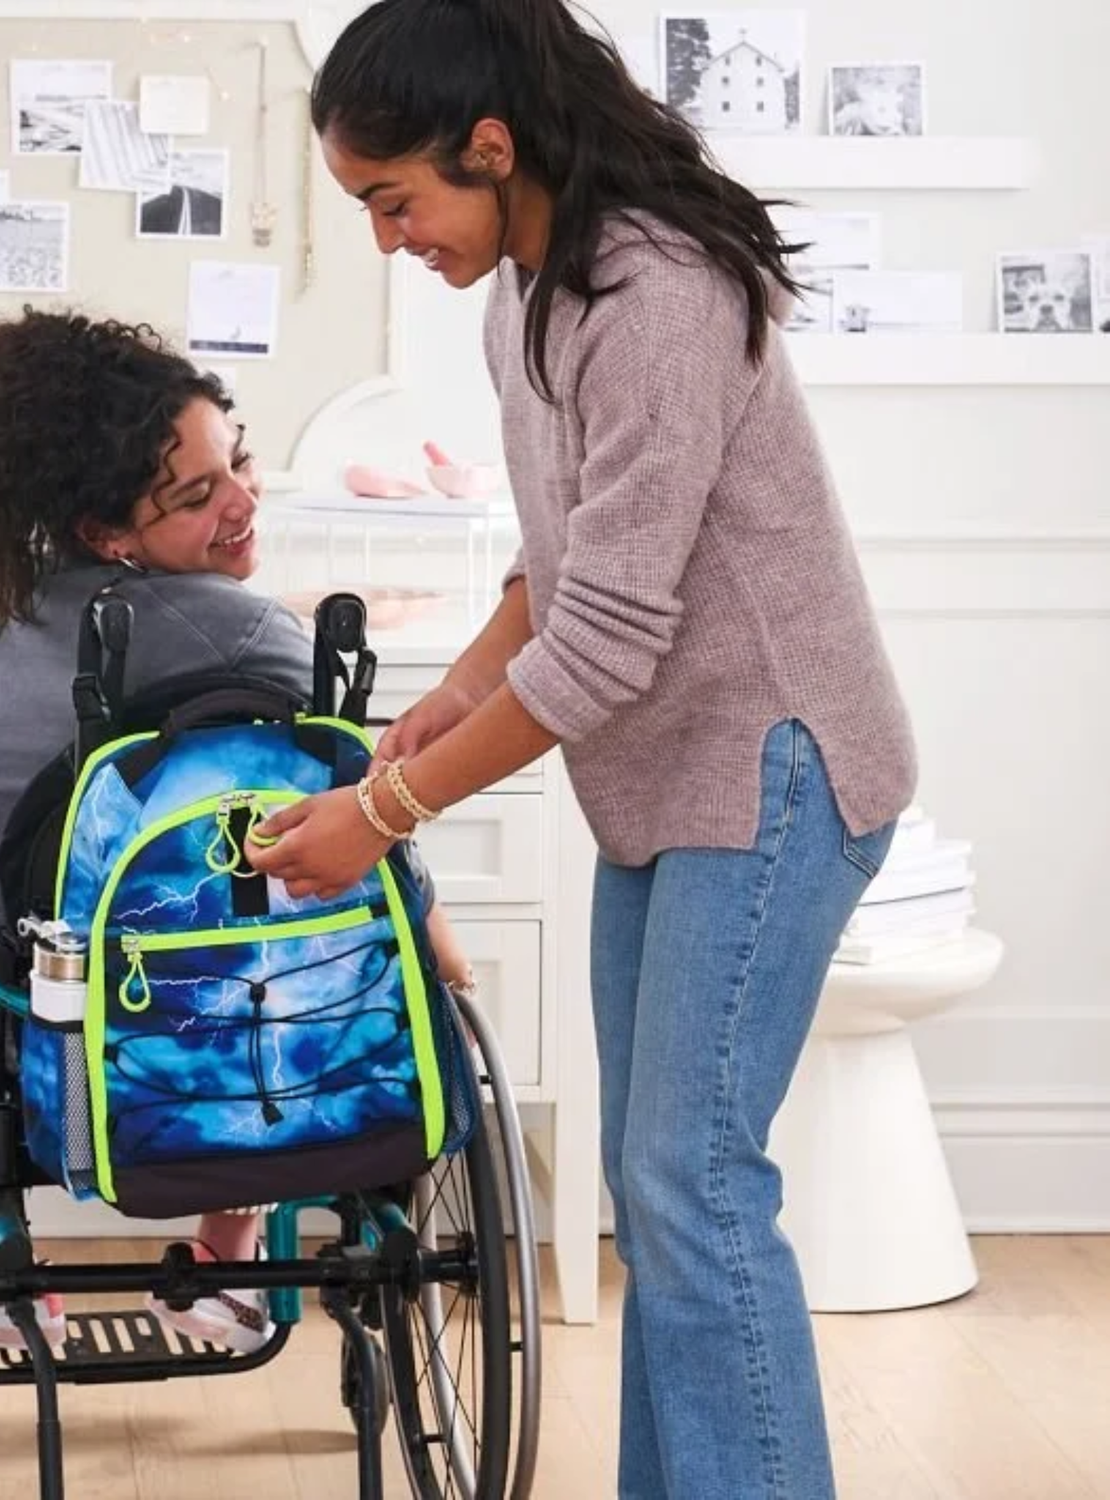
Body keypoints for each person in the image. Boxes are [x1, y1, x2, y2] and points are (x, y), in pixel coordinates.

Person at [244, 2, 917, 1495]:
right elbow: (567, 566)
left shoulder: (660, 294)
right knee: (654, 1182)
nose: (386, 237)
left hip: (774, 769)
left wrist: (389, 802)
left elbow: (607, 644)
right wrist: (450, 694)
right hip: (668, 787)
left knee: (691, 1183)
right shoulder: (527, 296)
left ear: (492, 147)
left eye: (393, 199)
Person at [0, 308, 474, 1354]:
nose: (242, 502)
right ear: (108, 534)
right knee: (293, 918)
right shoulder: (245, 630)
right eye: (197, 494)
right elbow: (346, 788)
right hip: (224, 1001)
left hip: (32, 978)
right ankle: (232, 1254)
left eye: (239, 465)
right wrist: (432, 922)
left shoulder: (19, 616)